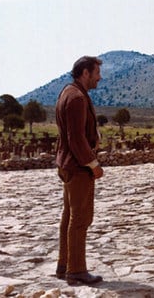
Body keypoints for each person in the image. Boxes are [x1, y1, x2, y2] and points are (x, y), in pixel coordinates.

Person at [55, 56, 105, 285]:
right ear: (85, 72)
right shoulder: (76, 97)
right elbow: (75, 137)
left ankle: (64, 264)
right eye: (96, 73)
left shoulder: (68, 92)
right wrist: (92, 164)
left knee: (69, 216)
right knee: (80, 217)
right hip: (77, 167)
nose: (99, 77)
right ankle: (76, 270)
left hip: (67, 164)